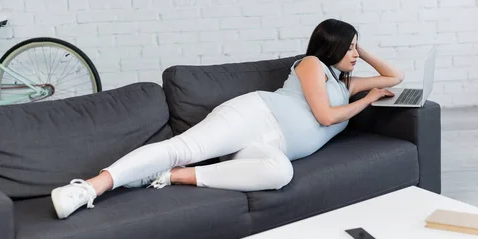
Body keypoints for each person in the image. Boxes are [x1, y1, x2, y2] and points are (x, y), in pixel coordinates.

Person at [50, 18, 405, 219]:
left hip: (271, 147)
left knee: (280, 173)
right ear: (331, 48)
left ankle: (169, 177)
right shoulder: (312, 65)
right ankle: (87, 189)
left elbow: (395, 76)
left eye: (357, 47)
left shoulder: (346, 83)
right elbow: (326, 117)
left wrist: (360, 46)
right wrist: (369, 97)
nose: (355, 54)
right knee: (180, 147)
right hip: (256, 117)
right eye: (349, 47)